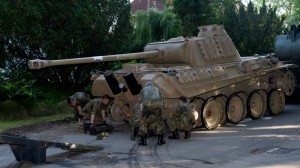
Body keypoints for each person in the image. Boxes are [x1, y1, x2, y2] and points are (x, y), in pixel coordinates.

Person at [138, 81, 165, 146]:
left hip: (147, 103)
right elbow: (162, 100)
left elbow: (141, 102)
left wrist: (142, 113)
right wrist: (161, 112)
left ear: (146, 85)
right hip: (157, 104)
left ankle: (143, 142)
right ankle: (160, 141)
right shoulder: (156, 89)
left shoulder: (143, 89)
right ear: (152, 85)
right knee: (159, 122)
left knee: (143, 123)